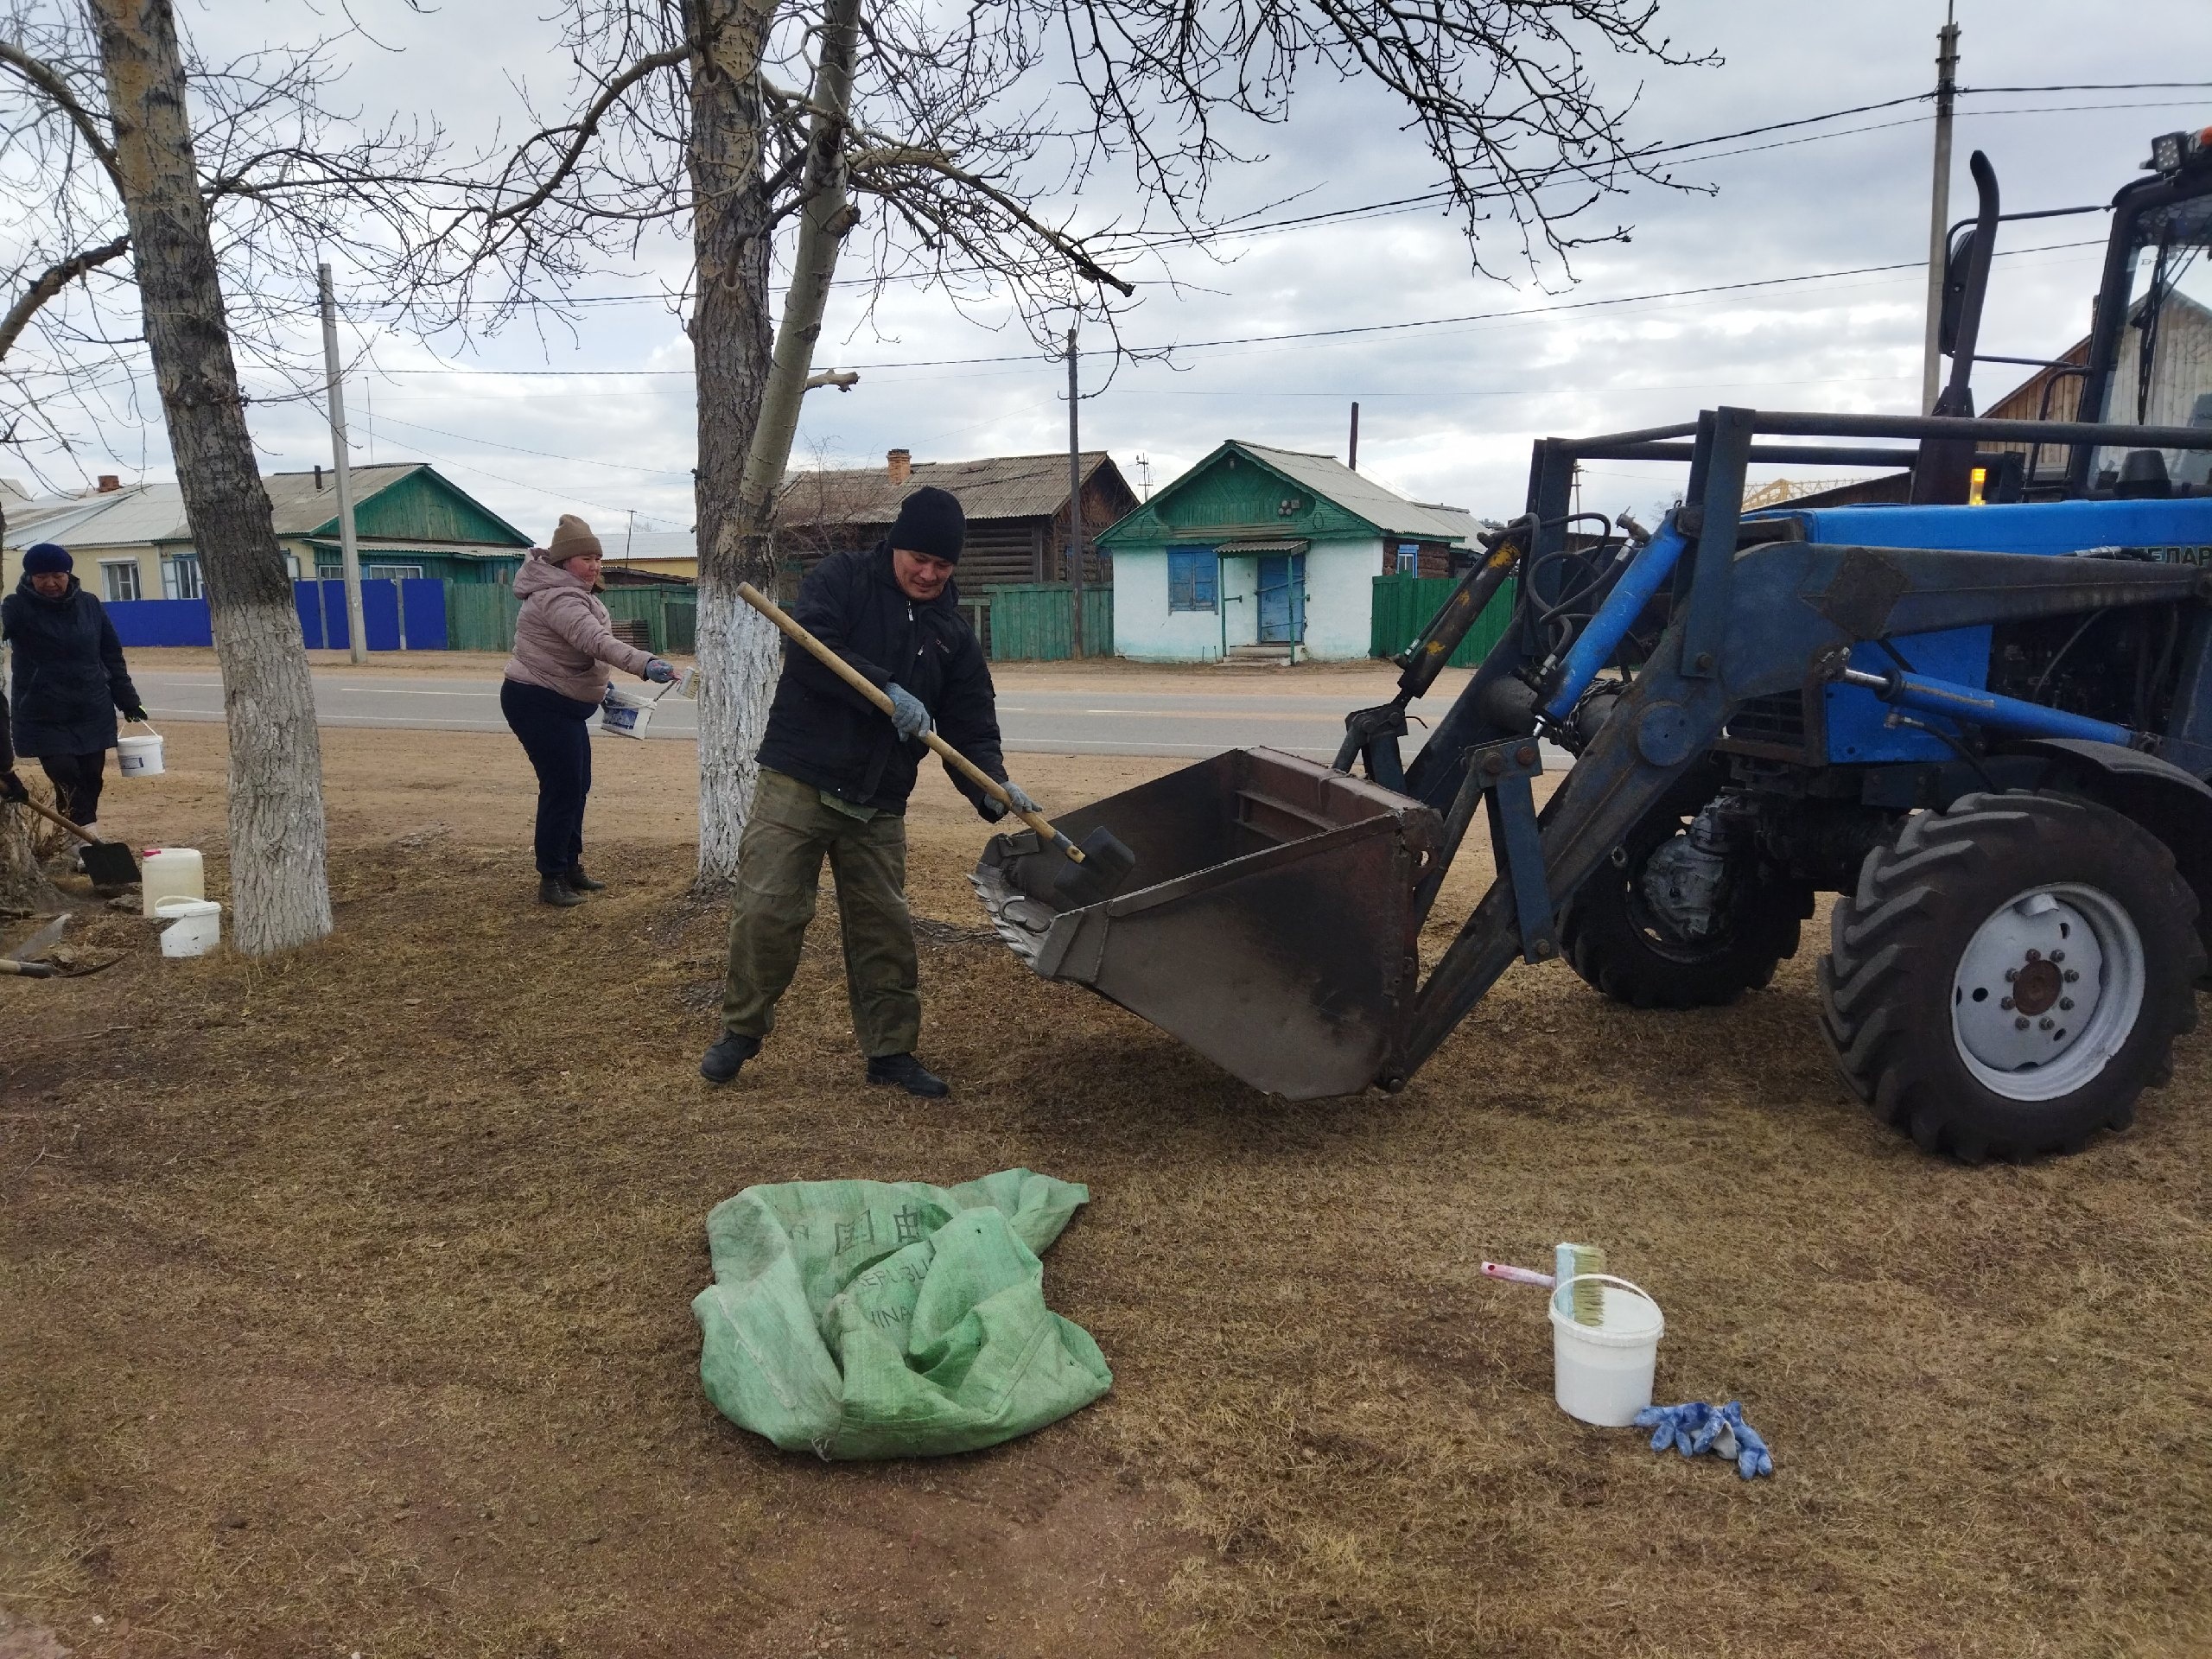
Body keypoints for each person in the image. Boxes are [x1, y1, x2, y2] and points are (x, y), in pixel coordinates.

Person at [700, 486, 1036, 1098]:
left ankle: (891, 1052)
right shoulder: (842, 580)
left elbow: (970, 724)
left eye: (943, 565)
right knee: (769, 911)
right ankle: (741, 1031)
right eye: (920, 560)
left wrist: (993, 788)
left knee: (884, 928)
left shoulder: (952, 635)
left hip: (878, 798)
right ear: (897, 546)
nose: (929, 574)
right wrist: (885, 687)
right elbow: (812, 652)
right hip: (799, 778)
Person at [500, 514, 677, 907]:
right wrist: (646, 664)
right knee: (561, 789)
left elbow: (576, 652)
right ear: (565, 561)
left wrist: (604, 685)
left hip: (560, 701)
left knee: (577, 786)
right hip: (537, 701)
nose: (595, 565)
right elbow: (593, 640)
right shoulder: (557, 597)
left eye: (598, 557)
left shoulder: (575, 594)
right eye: (586, 558)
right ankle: (551, 879)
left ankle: (570, 867)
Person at [3, 543, 145, 855]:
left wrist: (128, 701)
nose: (51, 583)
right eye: (42, 576)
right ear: (30, 576)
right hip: (43, 711)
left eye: (57, 575)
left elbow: (110, 654)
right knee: (66, 774)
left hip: (91, 706)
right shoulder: (16, 607)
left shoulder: (90, 605)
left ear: (68, 574)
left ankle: (77, 837)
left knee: (91, 776)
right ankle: (88, 844)